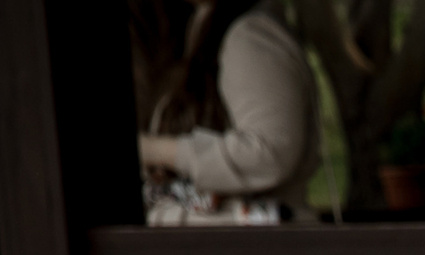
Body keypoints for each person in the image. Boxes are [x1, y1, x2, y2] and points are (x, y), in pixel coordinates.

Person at [132, 0, 319, 223]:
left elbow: (270, 151)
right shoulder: (201, 27)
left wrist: (159, 151)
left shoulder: (251, 37)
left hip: (248, 247)